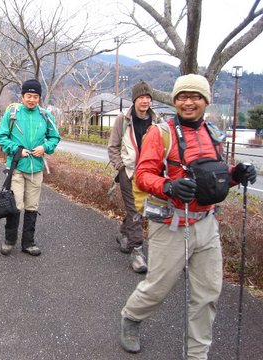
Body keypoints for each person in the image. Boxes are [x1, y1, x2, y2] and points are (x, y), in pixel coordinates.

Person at [119, 74, 257, 358]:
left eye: (195, 96)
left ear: (205, 100)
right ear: (175, 100)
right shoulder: (161, 133)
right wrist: (168, 185)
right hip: (171, 223)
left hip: (207, 224)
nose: (188, 102)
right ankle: (132, 317)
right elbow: (143, 176)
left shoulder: (214, 134)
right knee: (157, 287)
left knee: (207, 294)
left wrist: (235, 175)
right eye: (182, 96)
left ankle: (196, 354)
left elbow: (213, 177)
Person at [0, 79, 60, 256]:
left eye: (35, 96)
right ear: (22, 96)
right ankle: (9, 240)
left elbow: (55, 137)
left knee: (32, 205)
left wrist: (45, 148)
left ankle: (28, 242)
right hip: (16, 167)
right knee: (15, 204)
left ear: (40, 98)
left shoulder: (46, 115)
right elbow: (1, 137)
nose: (32, 99)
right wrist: (17, 150)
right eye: (28, 96)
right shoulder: (13, 114)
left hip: (36, 168)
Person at [108, 80, 160, 273]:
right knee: (135, 211)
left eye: (148, 97)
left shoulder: (158, 122)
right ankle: (137, 251)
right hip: (128, 172)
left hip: (149, 174)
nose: (145, 101)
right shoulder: (123, 119)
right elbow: (113, 146)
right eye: (141, 97)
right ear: (134, 100)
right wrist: (120, 166)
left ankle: (123, 233)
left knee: (137, 209)